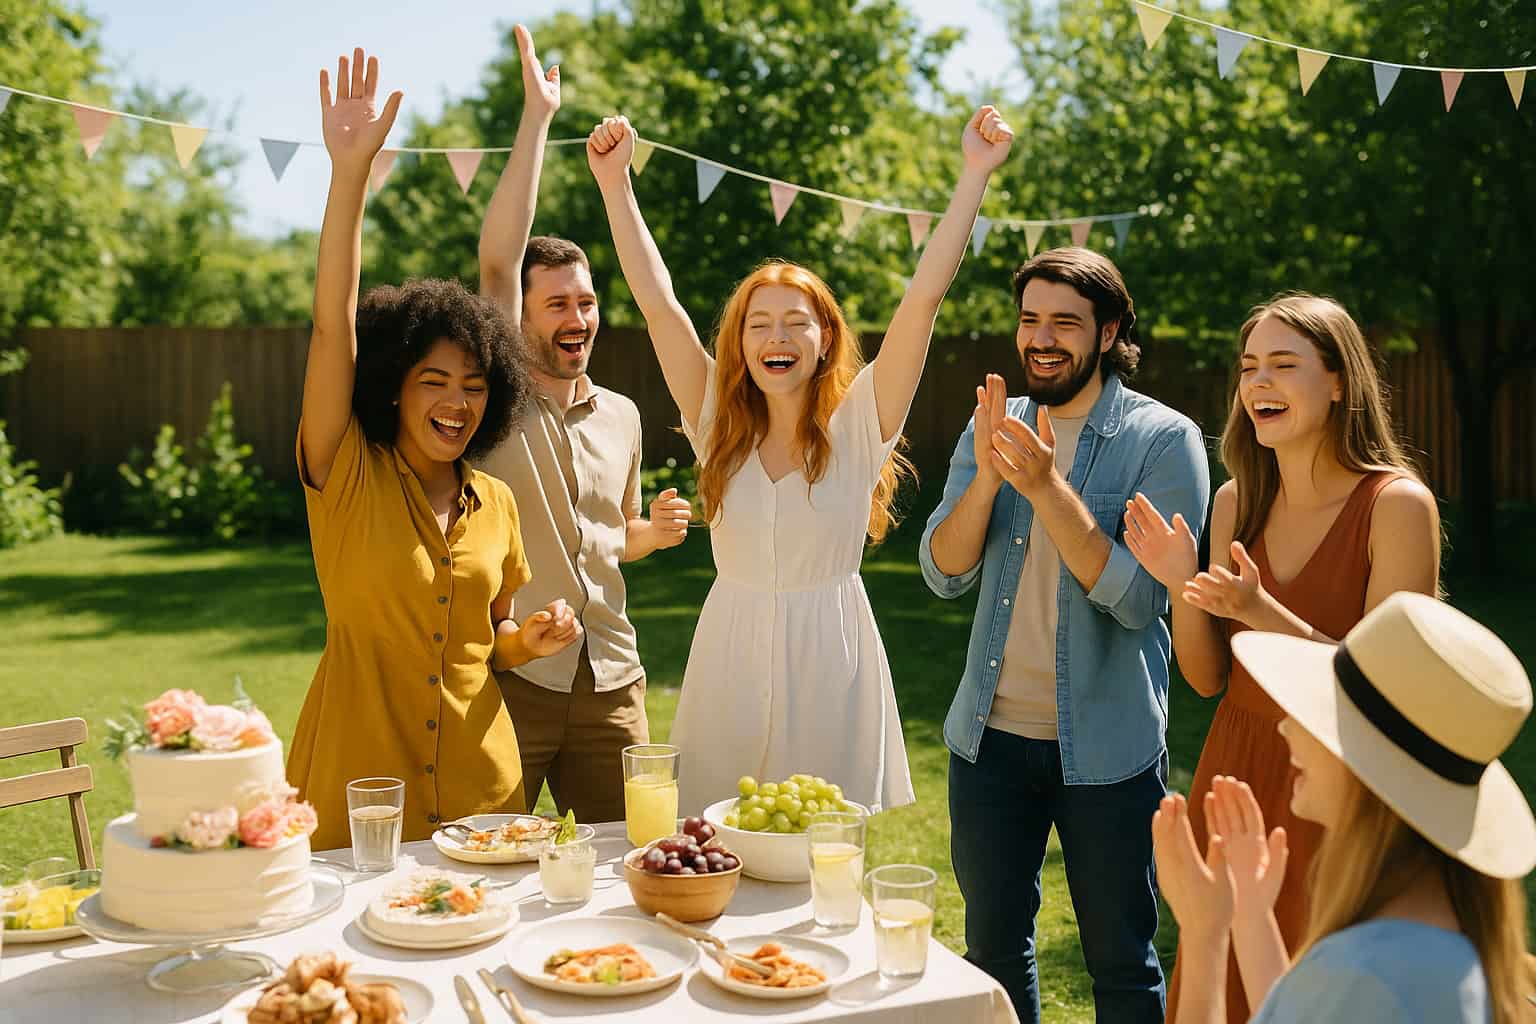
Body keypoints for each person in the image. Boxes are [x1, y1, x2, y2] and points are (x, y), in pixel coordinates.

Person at [585, 105, 1015, 813]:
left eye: (795, 322)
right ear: (740, 343)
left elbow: (924, 297)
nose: (775, 337)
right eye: (758, 324)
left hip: (831, 662)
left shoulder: (860, 426)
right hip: (729, 652)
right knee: (716, 846)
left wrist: (974, 174)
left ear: (824, 339)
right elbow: (660, 307)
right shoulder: (715, 424)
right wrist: (615, 186)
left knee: (818, 852)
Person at [288, 48, 580, 851]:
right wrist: (348, 177)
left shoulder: (499, 504)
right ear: (391, 385)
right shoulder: (343, 472)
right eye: (434, 381)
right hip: (355, 801)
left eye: (477, 385)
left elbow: (494, 641)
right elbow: (330, 326)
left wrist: (535, 639)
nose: (458, 401)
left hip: (487, 794)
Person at [1123, 293, 1441, 1024]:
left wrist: (1260, 610)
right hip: (1237, 767)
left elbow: (1387, 688)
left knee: (1319, 988)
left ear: (1338, 383)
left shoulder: (1397, 506)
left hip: (1342, 782)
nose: (1259, 383)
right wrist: (1181, 584)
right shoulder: (1237, 501)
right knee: (1220, 978)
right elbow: (1208, 680)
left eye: (1283, 366)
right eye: (1249, 368)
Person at [920, 247, 1210, 1022]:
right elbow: (943, 571)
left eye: (1065, 323)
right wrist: (987, 475)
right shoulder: (996, 426)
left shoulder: (1163, 439)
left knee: (1119, 962)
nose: (1041, 339)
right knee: (993, 955)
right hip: (988, 745)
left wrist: (1045, 486)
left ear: (1110, 330)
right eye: (1030, 319)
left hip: (1110, 754)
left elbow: (1141, 601)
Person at [474, 26, 691, 823]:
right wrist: (537, 118)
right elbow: (496, 263)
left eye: (588, 301)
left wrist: (652, 531)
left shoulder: (625, 416)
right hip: (515, 682)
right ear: (523, 317)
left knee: (629, 866)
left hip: (614, 684)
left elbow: (608, 537)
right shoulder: (492, 397)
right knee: (486, 862)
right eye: (558, 303)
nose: (579, 316)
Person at [1153, 591, 1534, 1023]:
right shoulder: (1454, 949)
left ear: (1366, 769)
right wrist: (1251, 914)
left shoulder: (1359, 974)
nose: (1286, 726)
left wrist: (1204, 938)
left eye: (1322, 715)